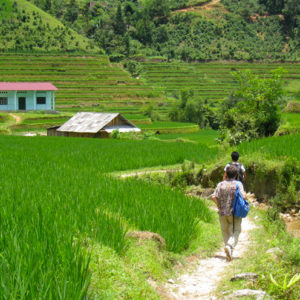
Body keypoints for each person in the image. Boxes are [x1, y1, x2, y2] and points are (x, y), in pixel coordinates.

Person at [212, 165, 246, 261]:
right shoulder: (238, 184)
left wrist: (219, 205)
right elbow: (243, 197)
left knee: (225, 231)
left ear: (226, 174)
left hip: (222, 212)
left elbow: (213, 196)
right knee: (236, 231)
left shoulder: (220, 184)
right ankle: (229, 246)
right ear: (236, 175)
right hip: (234, 212)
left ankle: (228, 250)